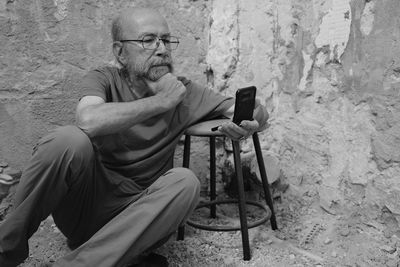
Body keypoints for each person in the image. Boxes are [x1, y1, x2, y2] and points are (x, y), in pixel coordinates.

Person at [0, 7, 268, 267]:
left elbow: (250, 108)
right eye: (148, 40)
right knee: (66, 141)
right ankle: (5, 251)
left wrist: (254, 120)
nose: (161, 49)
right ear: (120, 52)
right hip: (84, 210)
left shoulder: (184, 92)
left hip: (139, 220)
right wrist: (162, 101)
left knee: (185, 182)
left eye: (165, 40)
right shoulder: (104, 79)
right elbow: (88, 120)